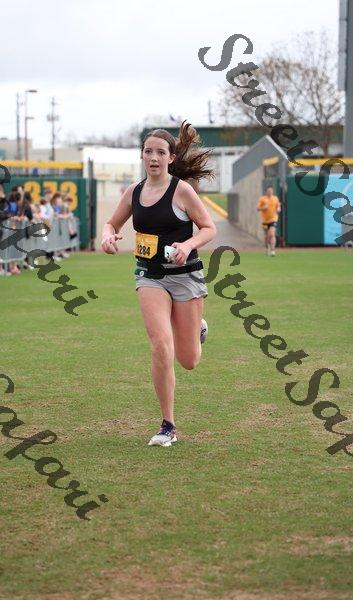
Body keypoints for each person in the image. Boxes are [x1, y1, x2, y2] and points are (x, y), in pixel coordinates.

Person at [101, 121, 217, 447]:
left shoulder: (182, 191)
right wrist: (107, 236)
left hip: (186, 277)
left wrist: (188, 245)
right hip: (150, 276)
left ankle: (197, 328)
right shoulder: (133, 192)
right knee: (160, 346)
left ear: (171, 157)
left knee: (188, 360)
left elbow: (209, 228)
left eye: (160, 152)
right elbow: (112, 223)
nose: (153, 157)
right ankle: (168, 425)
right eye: (148, 151)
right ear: (142, 155)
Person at [257, 186, 281, 256]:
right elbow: (257, 208)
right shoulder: (262, 199)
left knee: (272, 234)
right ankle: (267, 248)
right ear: (266, 191)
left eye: (271, 191)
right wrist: (263, 208)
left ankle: (273, 250)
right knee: (266, 236)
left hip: (273, 219)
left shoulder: (275, 198)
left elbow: (278, 206)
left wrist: (278, 209)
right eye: (269, 191)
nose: (270, 192)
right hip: (264, 220)